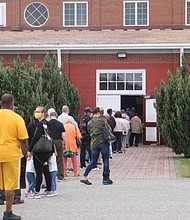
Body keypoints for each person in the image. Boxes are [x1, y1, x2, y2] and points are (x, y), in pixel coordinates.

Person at [0, 93, 28, 220]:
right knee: (10, 184)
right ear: (12, 104)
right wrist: (25, 153)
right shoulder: (17, 118)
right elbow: (23, 140)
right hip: (11, 154)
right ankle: (8, 212)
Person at [80, 107, 113, 185]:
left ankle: (84, 176)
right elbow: (109, 129)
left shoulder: (90, 122)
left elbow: (89, 132)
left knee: (93, 161)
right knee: (105, 160)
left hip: (94, 143)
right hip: (103, 142)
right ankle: (105, 179)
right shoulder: (102, 120)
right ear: (99, 113)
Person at [27, 106, 54, 199]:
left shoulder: (39, 124)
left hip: (39, 150)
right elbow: (52, 137)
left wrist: (30, 149)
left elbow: (35, 137)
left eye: (38, 112)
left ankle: (37, 191)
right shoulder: (47, 123)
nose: (36, 113)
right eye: (36, 111)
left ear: (43, 113)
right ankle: (49, 190)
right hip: (47, 149)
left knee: (38, 171)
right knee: (46, 169)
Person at [48, 112, 66, 181]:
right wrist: (65, 143)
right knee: (59, 158)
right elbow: (63, 135)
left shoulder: (47, 123)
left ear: (50, 116)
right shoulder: (60, 124)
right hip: (58, 141)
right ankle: (60, 175)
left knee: (49, 158)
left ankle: (50, 174)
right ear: (56, 116)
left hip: (50, 141)